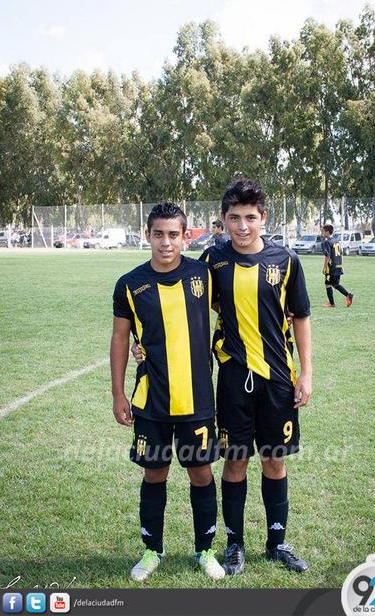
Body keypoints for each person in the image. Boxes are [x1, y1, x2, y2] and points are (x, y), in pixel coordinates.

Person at [201, 178, 312, 575]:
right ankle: (235, 545)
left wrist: (307, 373)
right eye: (235, 218)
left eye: (250, 217)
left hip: (278, 379)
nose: (243, 226)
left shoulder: (286, 261)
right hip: (234, 379)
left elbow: (301, 316)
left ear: (263, 217)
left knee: (274, 461)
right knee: (235, 461)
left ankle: (277, 542)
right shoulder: (212, 261)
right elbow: (189, 305)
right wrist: (142, 345)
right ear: (223, 219)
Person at [111, 201, 225, 582]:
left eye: (173, 234)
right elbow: (120, 338)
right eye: (158, 234)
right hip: (152, 400)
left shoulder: (202, 273)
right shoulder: (130, 284)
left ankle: (205, 550)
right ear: (147, 235)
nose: (165, 242)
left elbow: (236, 305)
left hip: (197, 399)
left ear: (185, 236)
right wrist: (118, 394)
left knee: (201, 473)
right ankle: (152, 551)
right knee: (154, 473)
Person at [320, 225, 353, 308]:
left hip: (331, 267)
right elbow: (340, 254)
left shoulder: (327, 242)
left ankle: (347, 295)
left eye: (323, 231)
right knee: (331, 284)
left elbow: (328, 256)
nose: (322, 233)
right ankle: (332, 303)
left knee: (332, 284)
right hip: (338, 265)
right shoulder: (336, 241)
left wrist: (324, 267)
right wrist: (341, 265)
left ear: (327, 232)